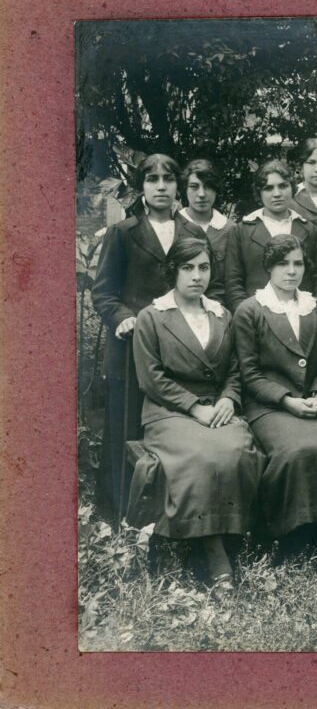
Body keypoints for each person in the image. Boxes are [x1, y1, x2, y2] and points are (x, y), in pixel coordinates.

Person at [127, 238, 264, 589]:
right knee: (201, 456)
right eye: (188, 268)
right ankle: (215, 555)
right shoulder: (152, 317)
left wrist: (229, 400)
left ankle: (231, 538)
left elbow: (235, 369)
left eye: (203, 267)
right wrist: (193, 407)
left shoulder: (221, 314)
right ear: (173, 271)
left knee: (235, 451)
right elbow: (151, 378)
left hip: (216, 407)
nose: (196, 276)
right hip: (168, 410)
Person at [90, 153, 210, 515]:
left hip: (176, 352)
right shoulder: (123, 232)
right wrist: (124, 318)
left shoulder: (193, 233)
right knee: (125, 430)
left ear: (177, 187)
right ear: (141, 187)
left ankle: (168, 513)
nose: (161, 186)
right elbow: (104, 293)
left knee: (171, 429)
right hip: (129, 350)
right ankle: (118, 514)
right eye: (153, 179)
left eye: (168, 180)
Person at [233, 235, 317, 540]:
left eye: (298, 264)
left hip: (316, 400)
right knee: (294, 449)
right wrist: (286, 401)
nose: (291, 271)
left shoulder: (316, 307)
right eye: (283, 264)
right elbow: (249, 373)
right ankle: (286, 533)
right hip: (270, 406)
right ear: (269, 268)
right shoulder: (250, 310)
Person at [223, 159, 317, 332]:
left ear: (292, 188)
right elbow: (233, 282)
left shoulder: (309, 230)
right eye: (268, 188)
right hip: (258, 323)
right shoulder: (242, 231)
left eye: (283, 186)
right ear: (259, 193)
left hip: (303, 320)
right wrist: (247, 317)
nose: (277, 193)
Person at [178, 158, 233, 301]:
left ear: (216, 190)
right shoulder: (173, 225)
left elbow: (233, 282)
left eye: (208, 186)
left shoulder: (231, 230)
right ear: (185, 189)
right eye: (194, 186)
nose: (201, 194)